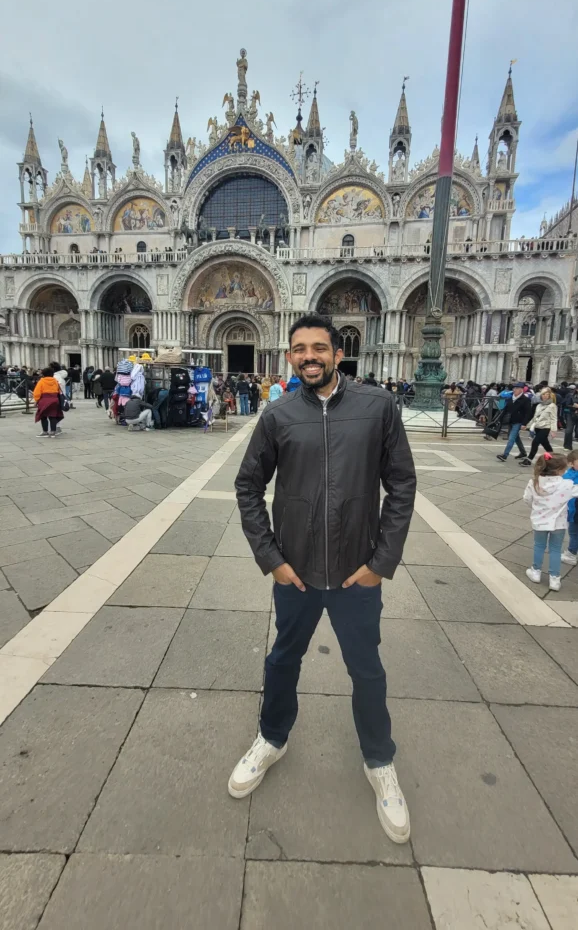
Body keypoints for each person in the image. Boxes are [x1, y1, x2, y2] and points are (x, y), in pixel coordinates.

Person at [231, 313, 416, 844]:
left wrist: (381, 563)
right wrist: (272, 558)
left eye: (318, 347)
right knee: (282, 659)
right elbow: (248, 488)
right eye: (298, 349)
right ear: (288, 357)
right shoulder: (278, 415)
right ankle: (271, 737)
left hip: (359, 574)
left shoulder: (378, 407)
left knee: (368, 670)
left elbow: (401, 485)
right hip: (297, 573)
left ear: (338, 353)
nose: (308, 356)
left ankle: (379, 761)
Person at [523, 452, 578, 591]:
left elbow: (527, 499)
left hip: (539, 521)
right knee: (555, 549)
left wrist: (536, 508)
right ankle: (555, 579)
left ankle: (536, 571)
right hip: (559, 523)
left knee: (539, 546)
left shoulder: (534, 482)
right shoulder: (566, 484)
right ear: (560, 470)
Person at [519, 387, 558, 466]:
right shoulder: (539, 405)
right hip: (537, 427)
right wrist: (527, 425)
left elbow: (554, 419)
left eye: (547, 394)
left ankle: (529, 460)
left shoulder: (552, 406)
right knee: (546, 445)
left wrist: (553, 430)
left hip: (546, 427)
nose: (545, 396)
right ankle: (553, 459)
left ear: (550, 396)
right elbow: (535, 417)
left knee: (535, 442)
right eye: (543, 394)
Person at [496, 383, 532, 462]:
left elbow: (528, 413)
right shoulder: (510, 398)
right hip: (510, 420)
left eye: (516, 388)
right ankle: (523, 453)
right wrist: (500, 419)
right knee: (516, 438)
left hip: (518, 421)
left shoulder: (525, 400)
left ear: (521, 390)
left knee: (511, 438)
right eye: (514, 388)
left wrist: (524, 423)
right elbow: (505, 410)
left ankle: (505, 455)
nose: (514, 390)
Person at [33, 367, 64, 438]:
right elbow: (58, 391)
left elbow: (37, 393)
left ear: (43, 374)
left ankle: (45, 431)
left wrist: (36, 401)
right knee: (52, 416)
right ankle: (53, 432)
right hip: (54, 400)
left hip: (44, 400)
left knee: (43, 416)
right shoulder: (55, 381)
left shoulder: (41, 381)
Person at [561, 449, 578, 566]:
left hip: (575, 511)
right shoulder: (568, 475)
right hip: (572, 509)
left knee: (574, 533)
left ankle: (571, 553)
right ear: (571, 463)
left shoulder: (568, 476)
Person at [562, 384, 578, 450]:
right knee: (569, 430)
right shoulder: (570, 395)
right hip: (571, 414)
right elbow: (566, 404)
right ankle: (567, 446)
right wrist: (574, 407)